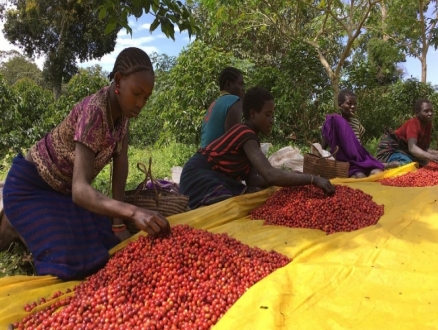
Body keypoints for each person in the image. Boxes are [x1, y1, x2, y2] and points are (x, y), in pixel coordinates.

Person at [1, 47, 170, 280]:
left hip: (62, 193)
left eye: (146, 98)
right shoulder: (95, 112)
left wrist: (119, 225)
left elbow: (120, 172)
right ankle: (13, 222)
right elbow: (80, 191)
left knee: (105, 244)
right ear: (118, 80)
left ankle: (28, 222)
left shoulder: (123, 117)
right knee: (71, 259)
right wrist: (134, 212)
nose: (141, 103)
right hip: (31, 187)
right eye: (137, 93)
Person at [180, 87, 335, 209]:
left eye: (272, 115)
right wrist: (312, 179)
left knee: (244, 196)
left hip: (212, 177)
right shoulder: (244, 133)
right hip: (198, 176)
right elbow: (269, 174)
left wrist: (292, 177)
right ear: (253, 114)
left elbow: (253, 179)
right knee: (228, 205)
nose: (271, 120)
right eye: (268, 115)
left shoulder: (252, 140)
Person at [321, 89, 387, 178]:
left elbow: (358, 146)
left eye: (355, 104)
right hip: (345, 163)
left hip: (359, 160)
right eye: (349, 103)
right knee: (360, 176)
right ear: (340, 105)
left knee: (378, 172)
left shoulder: (356, 123)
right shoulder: (333, 123)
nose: (353, 106)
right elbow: (322, 148)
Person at [376, 98, 438, 167]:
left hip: (405, 151)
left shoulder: (428, 124)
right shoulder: (413, 124)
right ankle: (381, 165)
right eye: (426, 111)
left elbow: (424, 149)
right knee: (408, 164)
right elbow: (412, 148)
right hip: (391, 150)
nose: (430, 113)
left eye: (431, 111)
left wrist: (435, 154)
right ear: (417, 113)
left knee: (425, 163)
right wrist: (432, 157)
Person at [200, 67, 245, 148]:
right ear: (228, 84)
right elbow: (233, 141)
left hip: (203, 155)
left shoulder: (215, 103)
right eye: (240, 84)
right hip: (216, 158)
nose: (243, 89)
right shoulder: (234, 100)